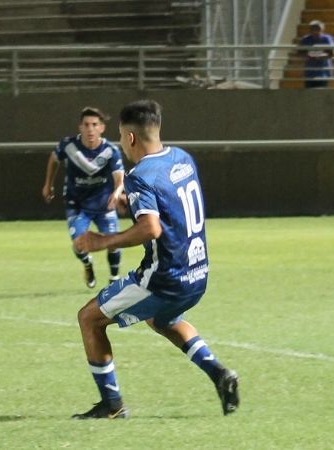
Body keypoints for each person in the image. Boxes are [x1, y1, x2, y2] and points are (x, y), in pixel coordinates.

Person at [71, 99, 239, 419]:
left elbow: (150, 227)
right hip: (198, 272)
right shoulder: (182, 158)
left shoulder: (139, 175)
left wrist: (101, 241)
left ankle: (112, 405)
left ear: (131, 138)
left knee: (89, 318)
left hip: (165, 277)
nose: (121, 143)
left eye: (121, 136)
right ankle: (219, 374)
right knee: (161, 320)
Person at [42, 107, 124, 289]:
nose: (90, 129)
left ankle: (114, 277)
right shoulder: (68, 145)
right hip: (77, 204)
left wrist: (117, 192)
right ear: (80, 127)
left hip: (104, 204)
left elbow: (119, 177)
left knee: (114, 242)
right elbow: (54, 159)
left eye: (94, 125)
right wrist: (49, 184)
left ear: (101, 128)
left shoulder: (110, 150)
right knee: (79, 245)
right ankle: (87, 264)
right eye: (86, 125)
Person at [298, 20, 334, 88]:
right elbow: (300, 52)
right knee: (309, 93)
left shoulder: (327, 38)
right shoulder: (306, 39)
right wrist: (310, 55)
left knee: (322, 92)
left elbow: (332, 53)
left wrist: (318, 56)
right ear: (310, 30)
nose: (315, 31)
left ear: (322, 29)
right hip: (310, 72)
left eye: (317, 29)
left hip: (323, 72)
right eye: (313, 29)